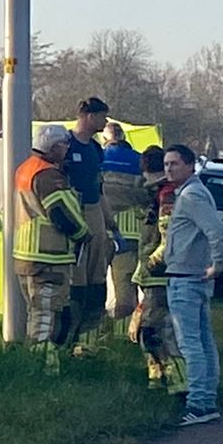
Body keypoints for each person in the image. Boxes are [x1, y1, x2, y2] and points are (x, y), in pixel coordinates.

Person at [14, 123, 90, 373]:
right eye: (64, 144)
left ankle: (31, 365)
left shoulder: (26, 168)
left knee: (36, 312)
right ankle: (43, 369)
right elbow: (60, 213)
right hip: (49, 255)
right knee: (47, 315)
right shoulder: (49, 175)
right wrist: (82, 234)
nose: (67, 149)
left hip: (26, 254)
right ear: (54, 146)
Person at [159, 144, 223, 425]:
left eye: (174, 163)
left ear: (189, 165)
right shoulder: (192, 192)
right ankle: (207, 399)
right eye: (166, 164)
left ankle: (198, 403)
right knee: (203, 341)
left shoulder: (191, 195)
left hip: (186, 278)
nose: (169, 169)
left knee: (190, 344)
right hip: (190, 275)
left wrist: (218, 263)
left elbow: (217, 230)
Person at [128, 145, 186, 394]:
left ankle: (176, 382)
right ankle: (161, 379)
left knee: (153, 330)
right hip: (156, 275)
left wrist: (151, 264)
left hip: (160, 274)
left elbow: (167, 237)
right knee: (154, 329)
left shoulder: (166, 195)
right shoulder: (164, 193)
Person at [62, 97, 112, 348]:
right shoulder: (66, 144)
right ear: (90, 116)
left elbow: (99, 187)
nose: (105, 122)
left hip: (93, 211)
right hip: (74, 210)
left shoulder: (95, 149)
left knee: (97, 270)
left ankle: (88, 336)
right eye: (103, 116)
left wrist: (110, 222)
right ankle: (68, 335)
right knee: (76, 272)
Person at [100, 120, 146, 322]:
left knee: (94, 283)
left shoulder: (98, 158)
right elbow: (146, 196)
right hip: (130, 232)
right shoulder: (139, 161)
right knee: (126, 285)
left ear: (105, 138)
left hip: (100, 229)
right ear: (124, 138)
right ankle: (125, 329)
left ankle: (97, 329)